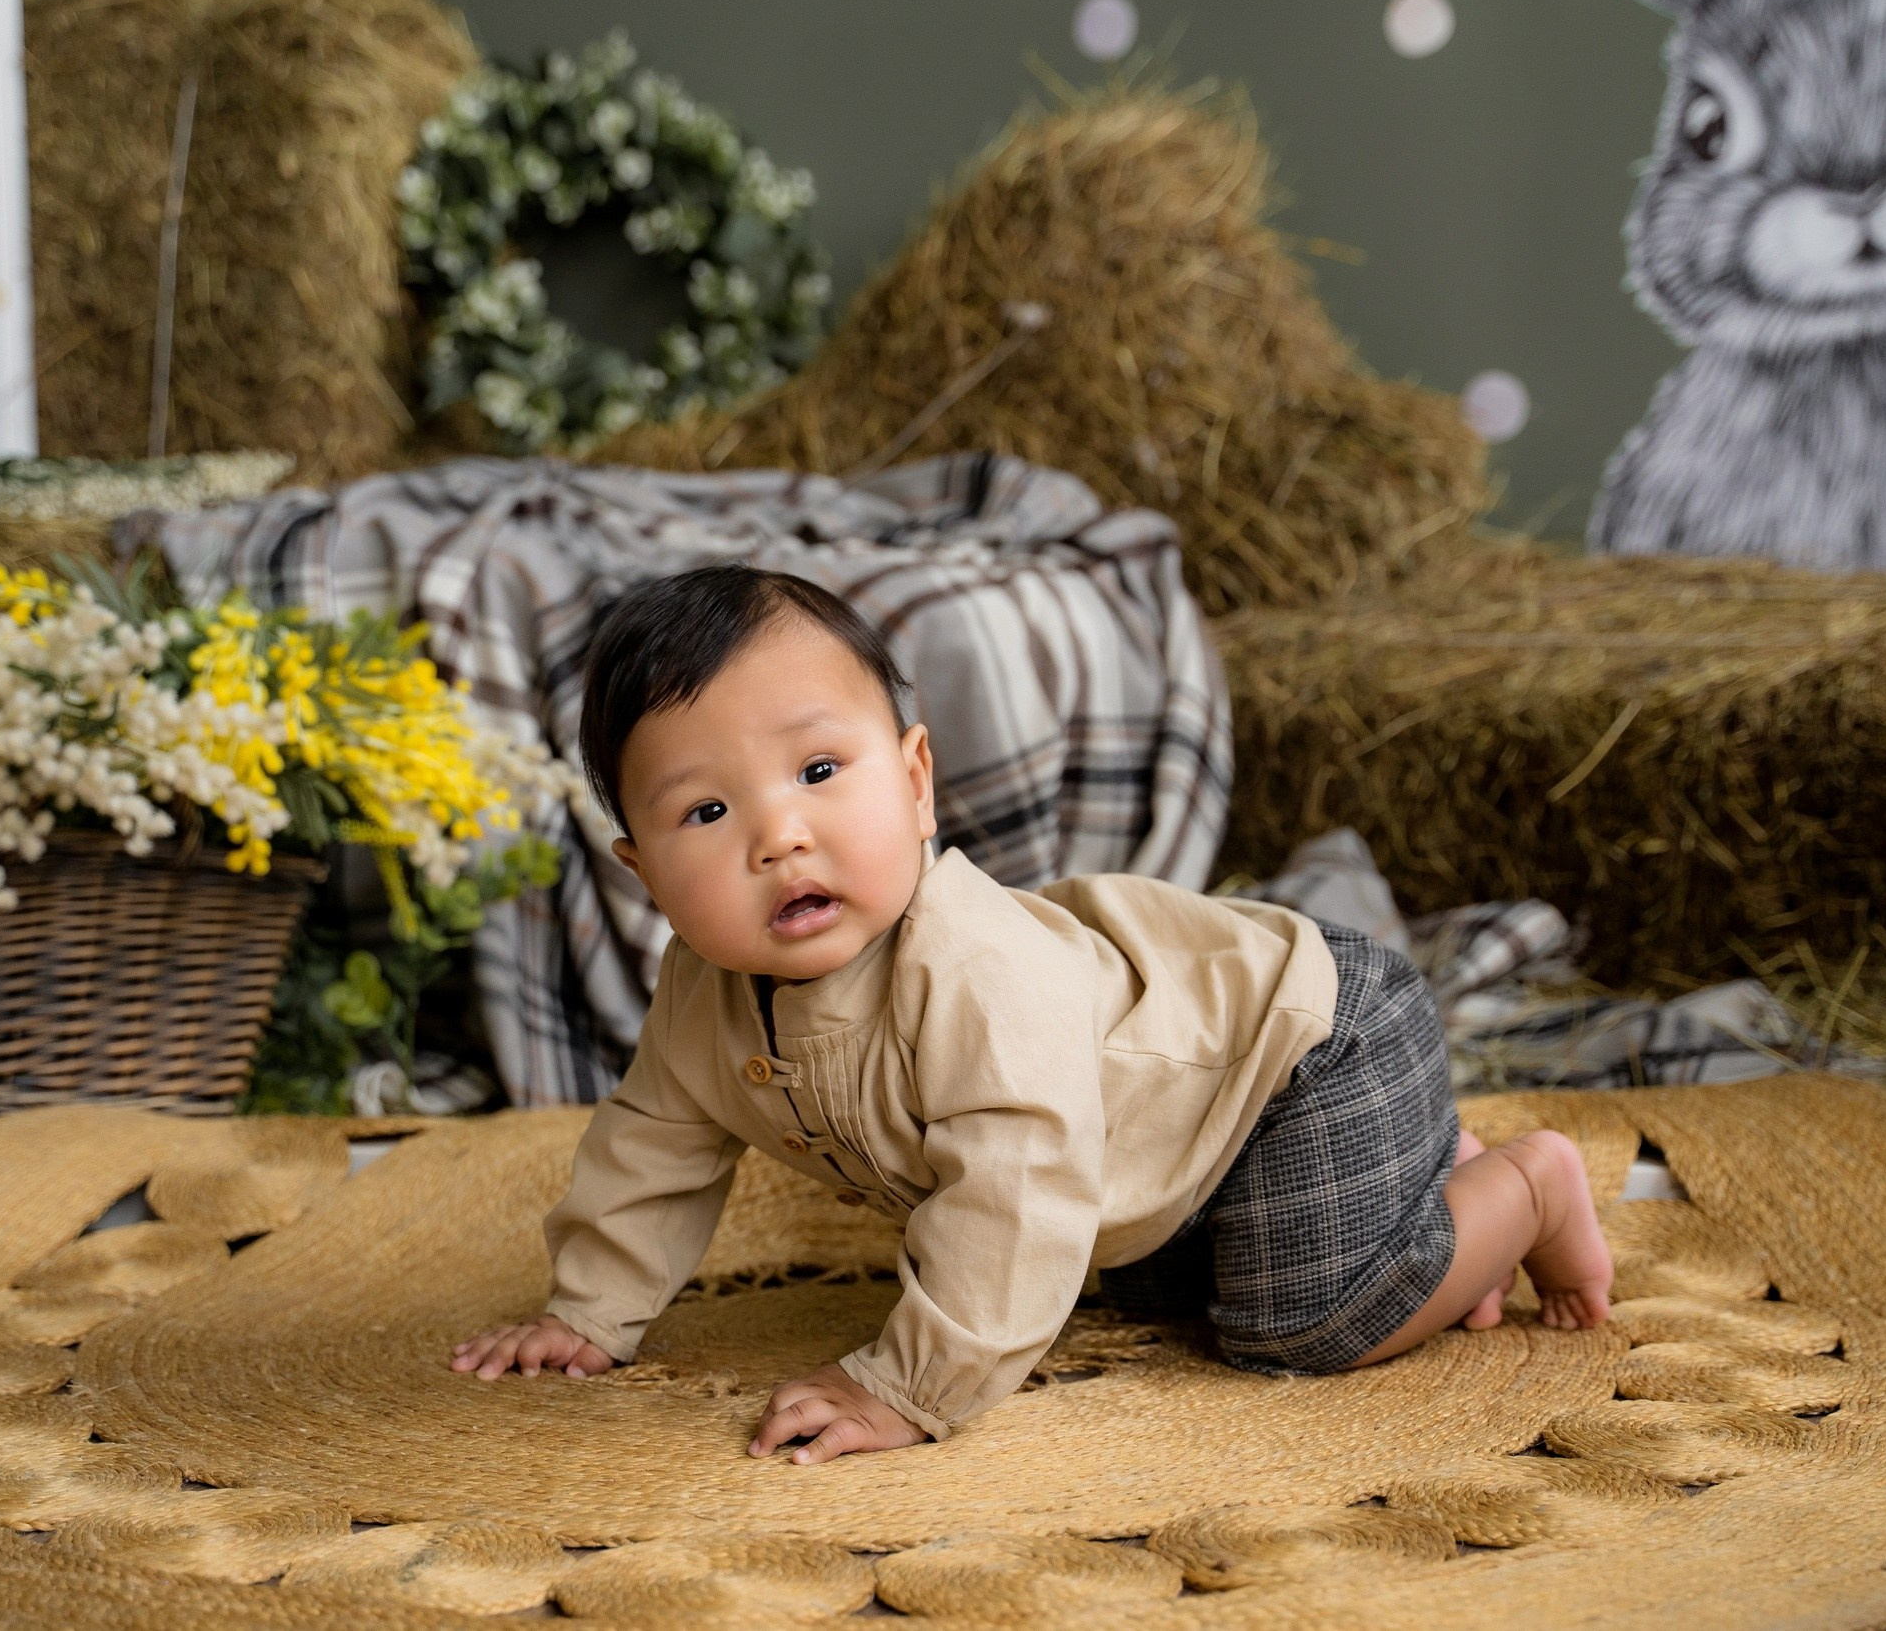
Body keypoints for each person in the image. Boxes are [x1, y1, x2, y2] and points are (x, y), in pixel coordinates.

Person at [451, 566, 1611, 1463]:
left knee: (1289, 1324)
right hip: (1181, 1137)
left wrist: (906, 1386)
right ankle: (1412, 1191)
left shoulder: (972, 970)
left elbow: (1014, 1190)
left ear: (913, 783)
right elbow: (650, 1145)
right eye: (705, 809)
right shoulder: (701, 1000)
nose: (777, 835)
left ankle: (1521, 1189)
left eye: (816, 772)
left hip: (1305, 1046)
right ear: (641, 872)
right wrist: (587, 1316)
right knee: (1154, 1287)